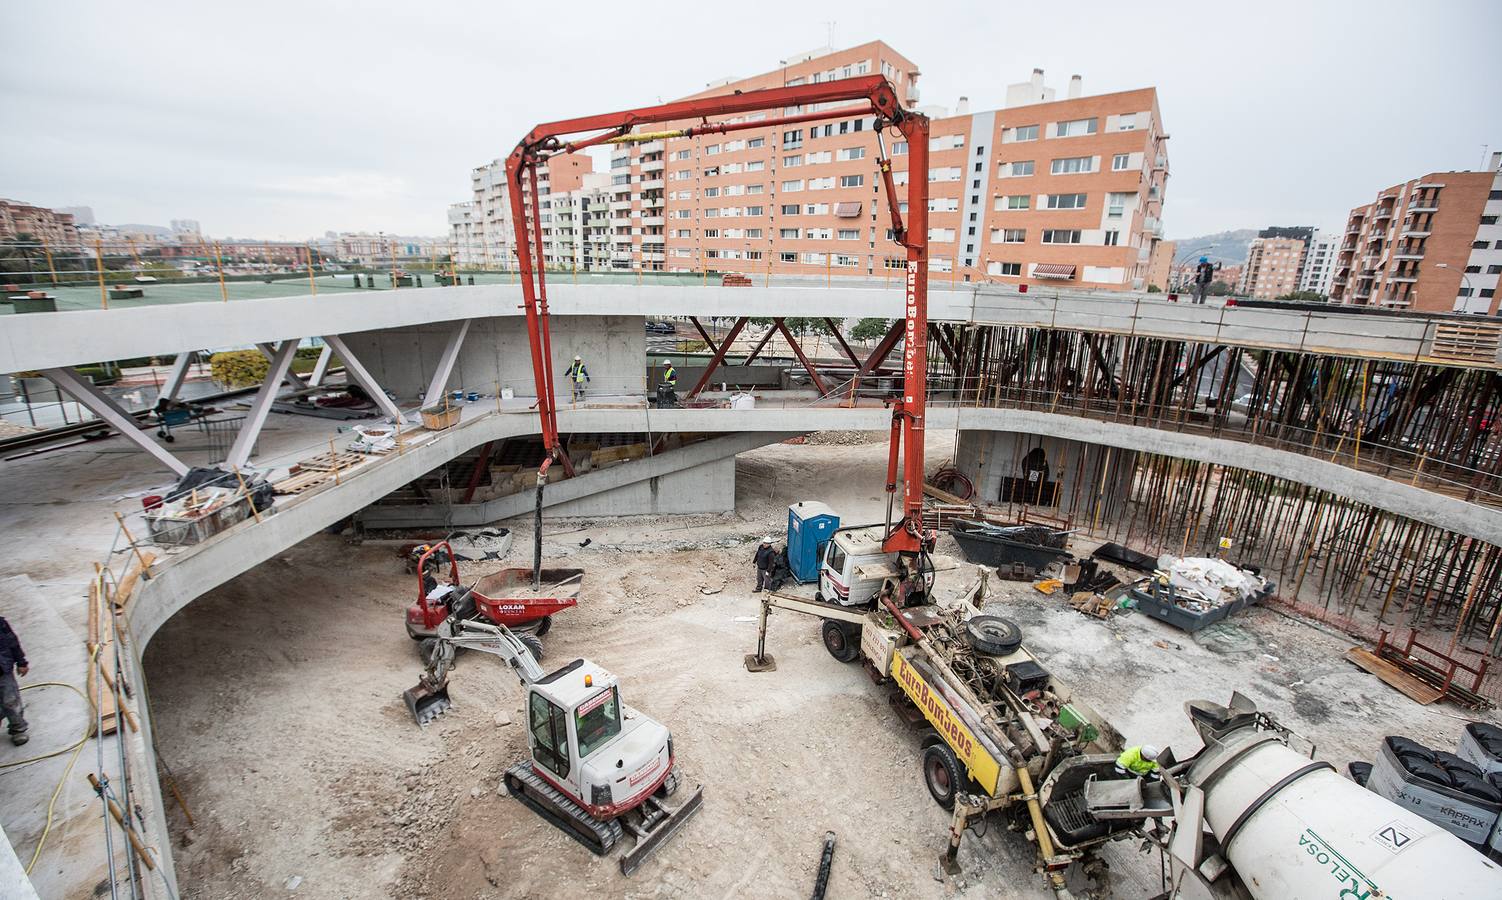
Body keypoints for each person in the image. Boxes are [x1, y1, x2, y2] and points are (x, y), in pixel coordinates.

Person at [1, 616, 29, 746]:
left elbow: (12, 642)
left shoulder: (1, 624)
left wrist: (21, 662)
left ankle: (18, 729)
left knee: (10, 701)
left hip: (3, 671)